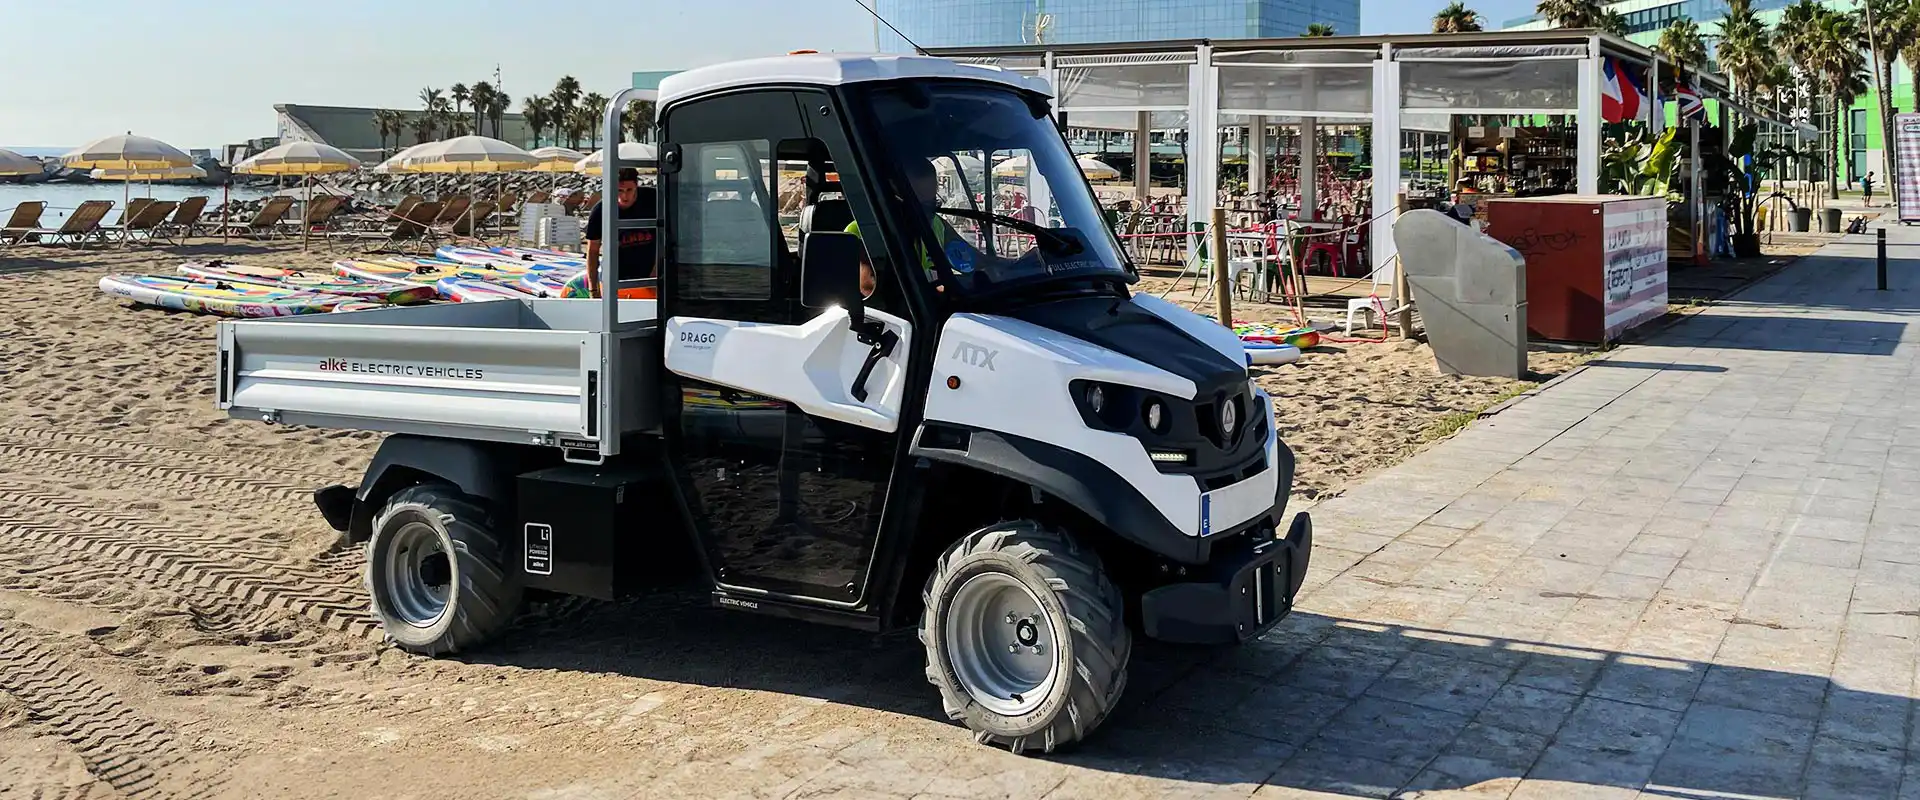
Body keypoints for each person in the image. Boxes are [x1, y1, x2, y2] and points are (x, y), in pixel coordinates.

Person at [844, 156, 979, 289]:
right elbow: (869, 286)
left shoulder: (937, 224)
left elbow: (972, 258)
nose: (925, 214)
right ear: (891, 198)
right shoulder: (859, 232)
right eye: (917, 206)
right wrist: (932, 291)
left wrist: (996, 267)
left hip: (931, 306)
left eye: (931, 203)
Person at [572, 168, 657, 298]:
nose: (624, 196)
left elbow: (666, 239)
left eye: (629, 190)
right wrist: (593, 290)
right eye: (619, 190)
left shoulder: (652, 199)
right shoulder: (601, 210)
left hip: (650, 273)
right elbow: (592, 251)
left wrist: (657, 271)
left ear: (636, 186)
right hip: (615, 275)